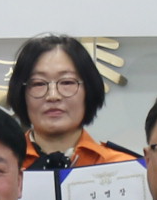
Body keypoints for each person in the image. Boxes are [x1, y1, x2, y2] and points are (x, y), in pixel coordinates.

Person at [8, 34, 137, 169]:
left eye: (67, 82)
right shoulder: (2, 168)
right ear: (21, 93)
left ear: (89, 89)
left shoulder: (125, 168)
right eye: (38, 84)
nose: (53, 96)